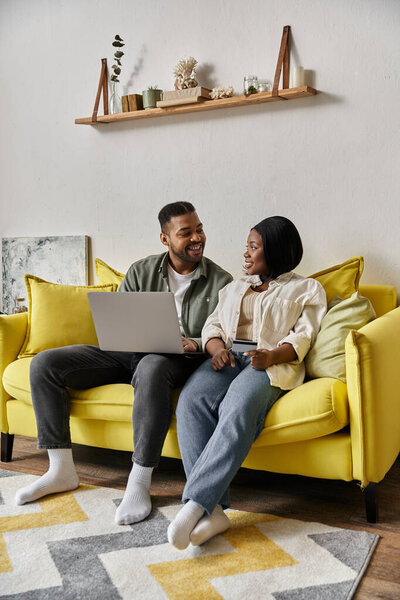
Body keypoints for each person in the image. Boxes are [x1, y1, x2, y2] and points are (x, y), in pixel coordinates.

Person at [15, 202, 232, 526]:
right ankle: (60, 469)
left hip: (177, 359)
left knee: (152, 367)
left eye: (199, 229)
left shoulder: (221, 280)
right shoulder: (140, 270)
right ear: (165, 239)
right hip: (127, 350)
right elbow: (118, 323)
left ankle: (140, 481)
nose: (197, 237)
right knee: (45, 364)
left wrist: (195, 342)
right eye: (186, 232)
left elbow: (223, 334)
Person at [168, 216, 327, 550]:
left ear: (277, 251)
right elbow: (213, 326)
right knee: (191, 401)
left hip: (267, 365)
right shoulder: (236, 286)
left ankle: (195, 504)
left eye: (254, 247)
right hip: (227, 359)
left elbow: (304, 336)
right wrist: (214, 351)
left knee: (237, 405)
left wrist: (271, 356)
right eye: (247, 246)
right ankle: (216, 511)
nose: (246, 253)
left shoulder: (307, 289)